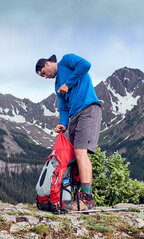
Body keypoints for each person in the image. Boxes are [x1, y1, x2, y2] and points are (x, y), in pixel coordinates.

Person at [35, 53, 102, 211]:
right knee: (71, 157)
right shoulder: (57, 84)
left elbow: (86, 65)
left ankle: (87, 199)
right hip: (73, 116)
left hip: (88, 109)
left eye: (44, 73)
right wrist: (63, 124)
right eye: (42, 76)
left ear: (47, 63)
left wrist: (69, 83)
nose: (45, 77)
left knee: (80, 152)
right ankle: (71, 198)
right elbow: (63, 107)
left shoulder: (66, 60)